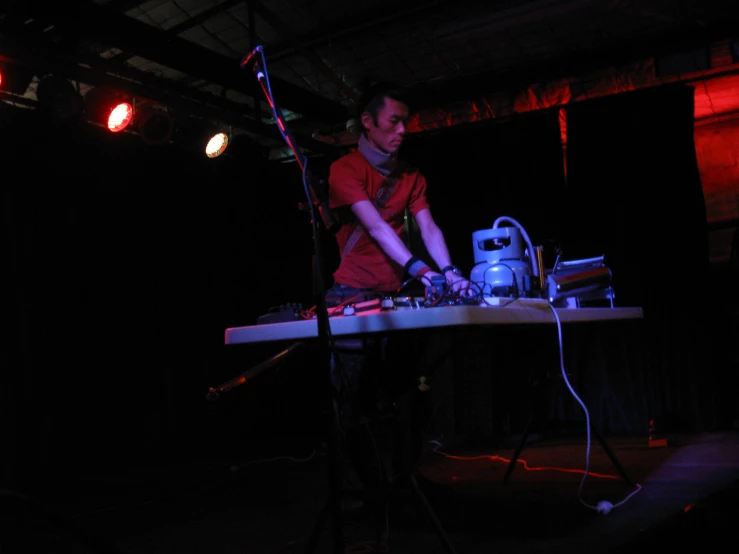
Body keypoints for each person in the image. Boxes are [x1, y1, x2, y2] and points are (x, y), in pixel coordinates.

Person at [323, 81, 472, 521]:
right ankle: (375, 491)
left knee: (410, 392)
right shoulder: (345, 169)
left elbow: (429, 229)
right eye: (394, 121)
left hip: (392, 297)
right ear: (367, 123)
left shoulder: (411, 175)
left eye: (406, 122)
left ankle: (404, 480)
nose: (403, 130)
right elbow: (376, 228)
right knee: (351, 404)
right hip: (350, 296)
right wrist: (421, 271)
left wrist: (450, 273)